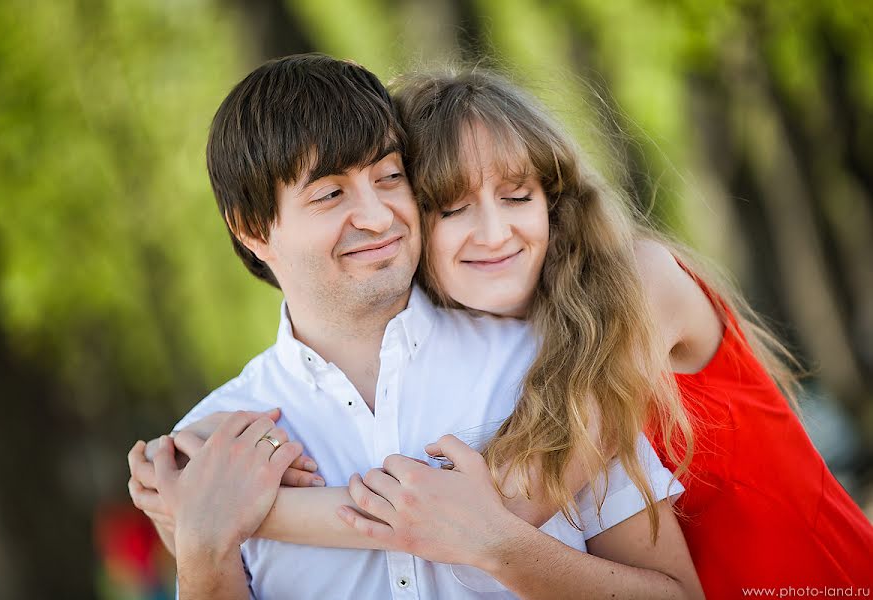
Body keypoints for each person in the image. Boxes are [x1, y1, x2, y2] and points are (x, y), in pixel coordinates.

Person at [134, 63, 873, 598]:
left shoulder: (626, 295)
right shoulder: (526, 329)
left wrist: (229, 509)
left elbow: (502, 507)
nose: (493, 231)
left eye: (517, 195)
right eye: (450, 209)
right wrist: (206, 533)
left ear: (556, 198)